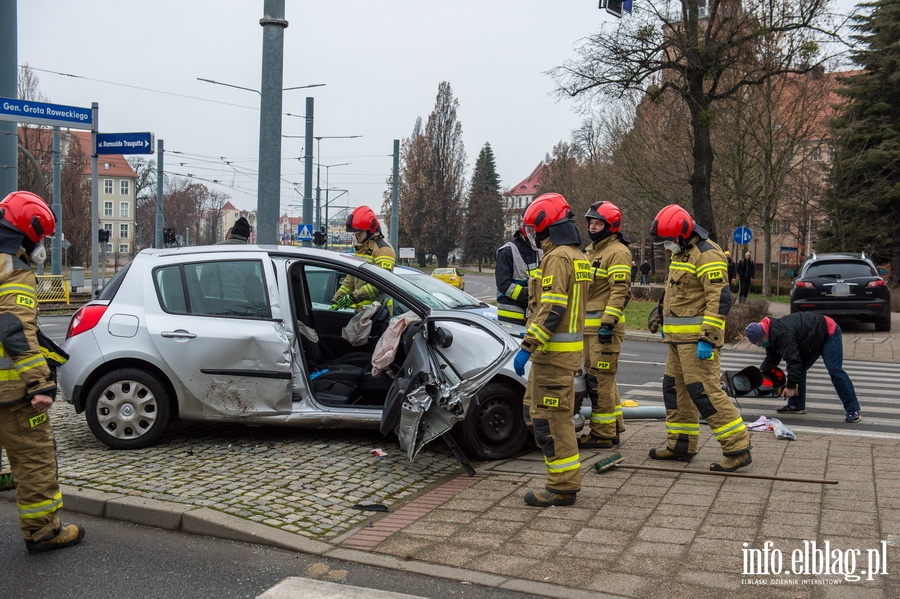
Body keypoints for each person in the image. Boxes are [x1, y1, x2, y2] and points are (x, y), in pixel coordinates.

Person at [0, 191, 85, 553]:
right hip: (12, 397)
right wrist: (40, 384)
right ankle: (43, 532)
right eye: (42, 239)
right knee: (34, 461)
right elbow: (13, 330)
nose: (42, 246)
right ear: (28, 234)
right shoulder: (14, 273)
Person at [647, 204, 752, 472]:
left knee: (704, 392)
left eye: (668, 241)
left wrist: (708, 338)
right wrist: (660, 314)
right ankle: (680, 445)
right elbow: (677, 292)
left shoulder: (708, 255)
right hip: (677, 341)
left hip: (697, 342)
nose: (666, 246)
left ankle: (737, 447)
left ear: (682, 235)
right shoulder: (682, 255)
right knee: (675, 391)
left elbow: (720, 298)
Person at [514, 193, 589, 507]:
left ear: (547, 226)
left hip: (553, 355)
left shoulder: (557, 257)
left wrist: (528, 345)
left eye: (534, 229)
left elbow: (553, 308)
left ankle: (562, 486)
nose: (532, 235)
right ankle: (562, 480)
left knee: (551, 419)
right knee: (539, 414)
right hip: (559, 355)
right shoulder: (577, 256)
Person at [579, 200, 631, 449]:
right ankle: (615, 427)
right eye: (591, 222)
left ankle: (602, 434)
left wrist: (607, 324)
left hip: (603, 330)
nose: (593, 227)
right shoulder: (592, 251)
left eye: (598, 223)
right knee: (603, 379)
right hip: (589, 329)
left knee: (599, 382)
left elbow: (620, 290)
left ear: (611, 226)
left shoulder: (616, 252)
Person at [744, 313, 861, 422]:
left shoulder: (782, 334)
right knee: (800, 368)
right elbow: (773, 357)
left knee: (834, 370)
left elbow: (793, 361)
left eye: (760, 343)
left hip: (829, 332)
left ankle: (853, 410)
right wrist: (760, 372)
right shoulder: (769, 333)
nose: (761, 345)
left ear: (762, 335)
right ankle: (796, 405)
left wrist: (790, 387)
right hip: (811, 339)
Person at [331, 205, 396, 310]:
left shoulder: (383, 250)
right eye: (355, 232)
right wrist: (337, 298)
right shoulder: (361, 249)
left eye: (359, 232)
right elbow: (351, 279)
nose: (357, 235)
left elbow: (382, 283)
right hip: (362, 311)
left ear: (370, 230)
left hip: (378, 312)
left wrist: (355, 296)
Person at [495, 221, 542, 325]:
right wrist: (529, 295)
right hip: (510, 317)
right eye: (531, 229)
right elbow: (503, 284)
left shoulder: (539, 251)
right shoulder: (507, 251)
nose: (534, 232)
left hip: (533, 315)